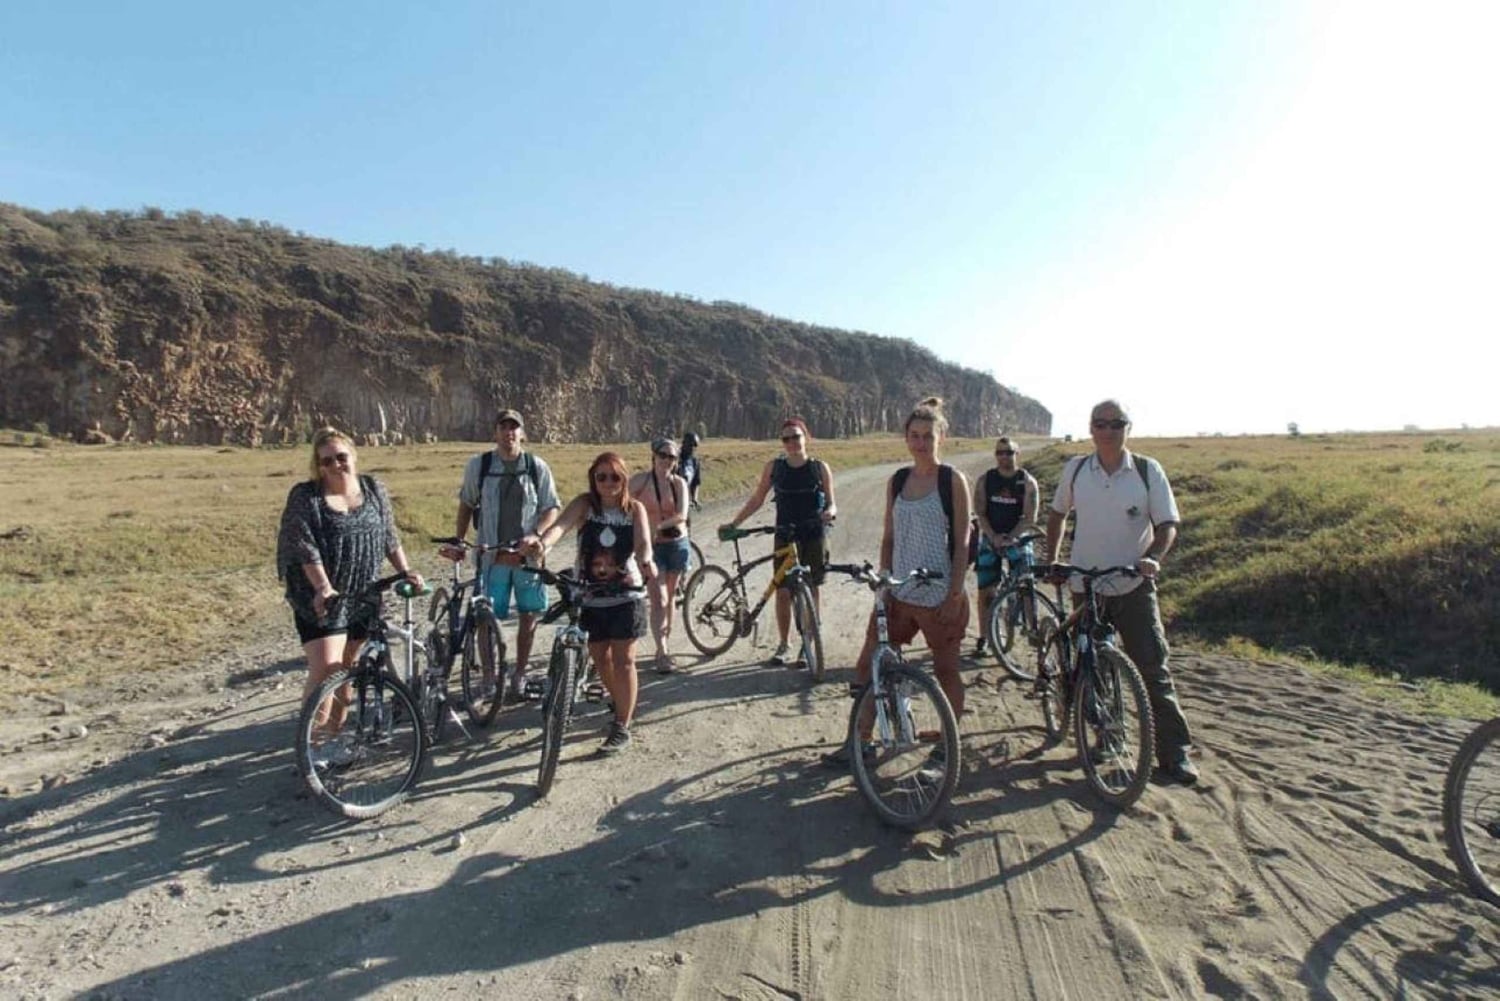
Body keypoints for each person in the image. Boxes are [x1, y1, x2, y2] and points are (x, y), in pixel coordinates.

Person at [1043, 399, 1199, 785]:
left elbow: (1167, 525)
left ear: (1128, 427)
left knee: (1152, 667)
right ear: (1091, 428)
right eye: (1101, 423)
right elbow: (1058, 513)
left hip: (1133, 585)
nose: (1109, 430)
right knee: (1093, 668)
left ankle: (1175, 752)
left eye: (1117, 423)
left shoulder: (1147, 470)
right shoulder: (1077, 470)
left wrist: (1152, 558)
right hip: (1086, 585)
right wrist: (1053, 559)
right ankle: (1107, 736)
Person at [827, 397, 970, 765]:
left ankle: (948, 746)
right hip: (900, 591)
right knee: (869, 665)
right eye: (914, 436)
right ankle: (859, 741)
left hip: (939, 593)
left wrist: (954, 593)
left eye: (928, 436)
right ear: (906, 438)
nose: (921, 443)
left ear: (941, 437)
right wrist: (884, 581)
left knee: (946, 670)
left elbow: (963, 541)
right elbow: (889, 537)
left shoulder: (952, 480)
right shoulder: (899, 480)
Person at [276, 428, 424, 760]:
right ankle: (310, 749)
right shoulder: (306, 497)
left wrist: (405, 571)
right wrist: (323, 587)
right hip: (320, 596)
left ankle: (333, 741)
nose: (335, 465)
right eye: (326, 461)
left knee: (346, 668)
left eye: (341, 457)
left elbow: (389, 536)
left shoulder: (373, 489)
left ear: (353, 456)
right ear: (318, 465)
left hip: (363, 591)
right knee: (326, 667)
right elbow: (303, 545)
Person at [536, 452, 656, 754]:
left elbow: (643, 543)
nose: (608, 482)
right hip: (589, 594)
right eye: (601, 476)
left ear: (624, 479)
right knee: (600, 657)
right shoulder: (584, 505)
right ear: (593, 478)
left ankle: (621, 725)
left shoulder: (635, 509)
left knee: (624, 660)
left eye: (615, 476)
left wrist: (647, 562)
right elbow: (560, 527)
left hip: (626, 593)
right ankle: (620, 701)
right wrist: (543, 545)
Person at [448, 409, 561, 703]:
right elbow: (466, 504)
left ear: (522, 433)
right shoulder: (480, 466)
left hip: (528, 559)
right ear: (495, 432)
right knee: (485, 621)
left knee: (528, 617)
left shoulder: (536, 467)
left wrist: (536, 534)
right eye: (503, 427)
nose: (509, 432)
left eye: (514, 427)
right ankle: (488, 677)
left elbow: (551, 507)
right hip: (492, 558)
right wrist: (460, 540)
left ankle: (519, 675)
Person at [720, 416, 838, 666]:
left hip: (813, 534)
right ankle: (784, 644)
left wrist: (830, 513)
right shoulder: (774, 467)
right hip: (784, 534)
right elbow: (757, 499)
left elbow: (832, 503)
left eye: (796, 436)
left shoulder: (820, 468)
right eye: (786, 438)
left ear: (806, 437)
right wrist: (735, 523)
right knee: (782, 592)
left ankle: (808, 642)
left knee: (812, 587)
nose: (792, 442)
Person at [971, 436, 1040, 657]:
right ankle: (984, 636)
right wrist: (993, 536)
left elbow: (1030, 517)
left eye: (1009, 452)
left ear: (1017, 454)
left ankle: (1033, 630)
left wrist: (1011, 537)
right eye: (1000, 452)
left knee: (1027, 584)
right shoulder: (986, 480)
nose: (1004, 456)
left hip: (1017, 537)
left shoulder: (1027, 482)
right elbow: (980, 512)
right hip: (991, 537)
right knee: (985, 589)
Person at [630, 436, 691, 674]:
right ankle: (663, 651)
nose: (667, 460)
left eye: (672, 457)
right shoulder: (640, 481)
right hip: (651, 548)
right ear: (653, 456)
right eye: (662, 455)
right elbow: (621, 503)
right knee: (660, 599)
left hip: (676, 544)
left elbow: (682, 515)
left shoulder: (679, 484)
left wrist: (658, 526)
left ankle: (663, 646)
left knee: (671, 597)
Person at [677, 432, 703, 511]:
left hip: (684, 500)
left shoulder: (695, 462)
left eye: (695, 445)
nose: (692, 447)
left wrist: (694, 499)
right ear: (683, 443)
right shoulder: (673, 458)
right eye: (690, 444)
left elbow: (695, 482)